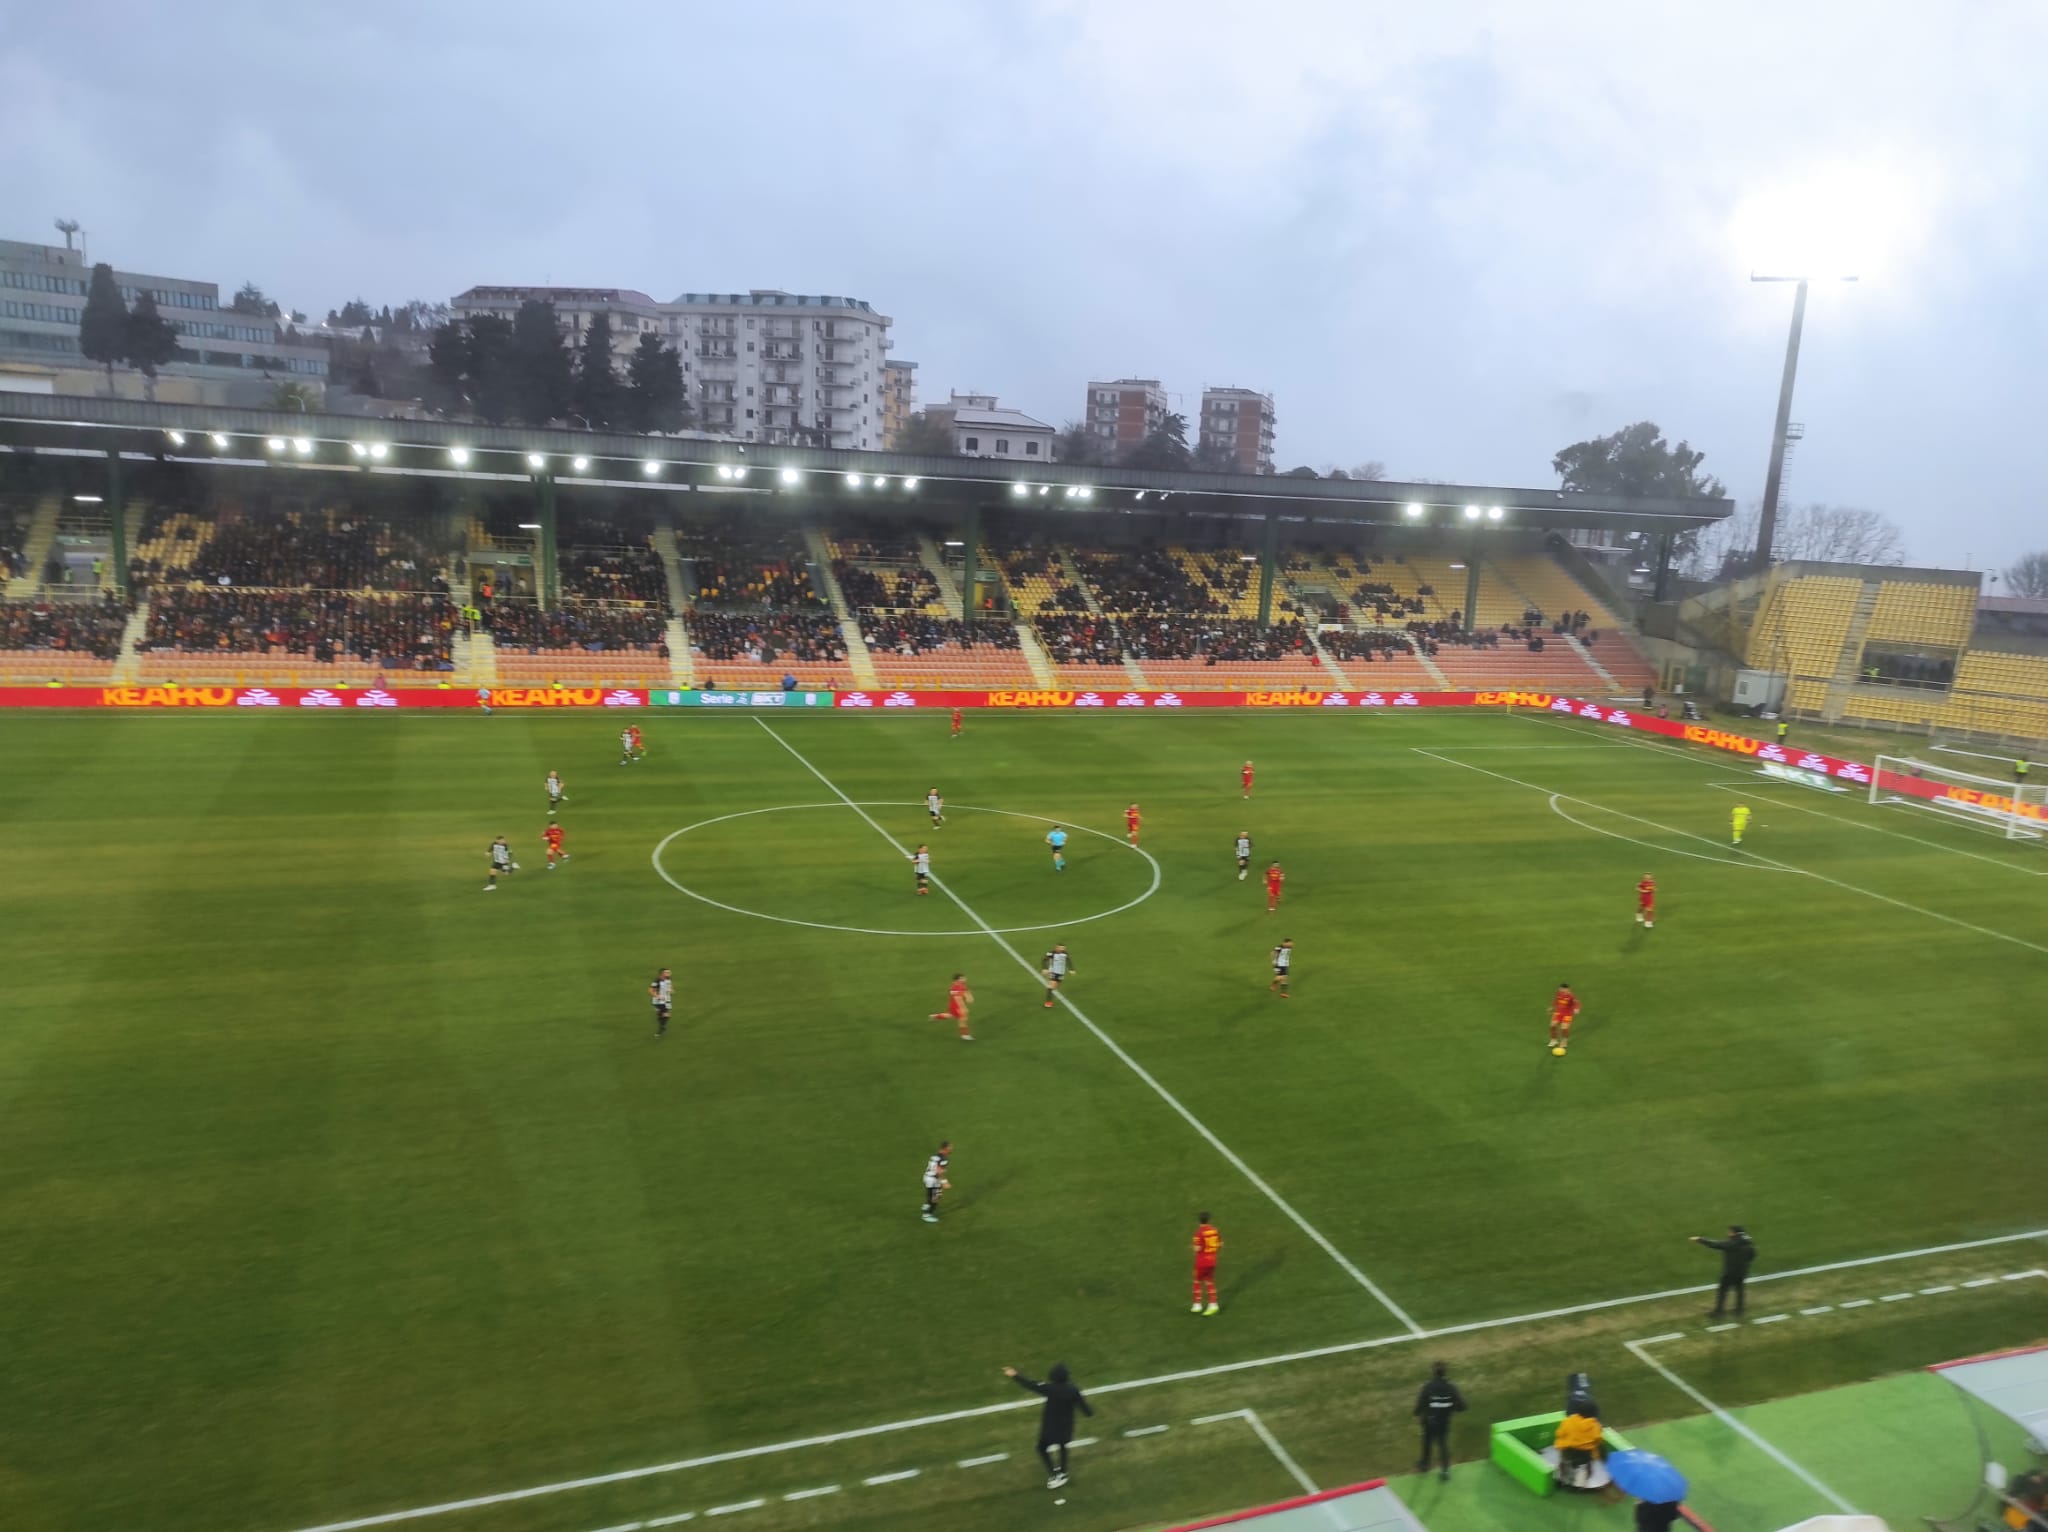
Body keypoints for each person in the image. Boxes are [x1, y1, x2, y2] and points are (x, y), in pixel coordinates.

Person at [1002, 1363, 1093, 1489]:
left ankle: (1055, 1474)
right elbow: (1087, 1411)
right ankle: (1063, 1472)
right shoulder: (1073, 1390)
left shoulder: (1050, 1388)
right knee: (1063, 1446)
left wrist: (1015, 1375)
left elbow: (1031, 1385)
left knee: (1041, 1448)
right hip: (1066, 1426)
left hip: (1050, 1426)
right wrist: (1088, 1412)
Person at [1413, 1361, 1467, 1481]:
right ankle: (1445, 1471)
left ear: (1434, 1372)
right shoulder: (1451, 1387)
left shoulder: (1428, 1386)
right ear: (1445, 1372)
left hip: (1429, 1421)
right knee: (1443, 1445)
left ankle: (1425, 1465)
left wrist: (1416, 1413)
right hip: (1444, 1421)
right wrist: (1451, 1408)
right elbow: (1462, 1406)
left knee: (1427, 1442)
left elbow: (1421, 1402)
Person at [1693, 1224, 1757, 1318]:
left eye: (1729, 1231)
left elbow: (1716, 1244)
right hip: (1742, 1272)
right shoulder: (1748, 1242)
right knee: (1740, 1291)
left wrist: (1700, 1239)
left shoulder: (1731, 1243)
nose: (1728, 1233)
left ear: (1733, 1232)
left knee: (1723, 1291)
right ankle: (1739, 1311)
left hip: (1730, 1272)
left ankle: (1719, 1312)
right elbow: (1753, 1256)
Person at [1553, 1407, 1604, 1489]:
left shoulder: (1568, 1421)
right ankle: (1579, 1486)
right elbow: (1598, 1439)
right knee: (1583, 1468)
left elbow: (1559, 1433)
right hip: (1585, 1452)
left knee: (1565, 1463)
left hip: (1569, 1449)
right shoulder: (1595, 1425)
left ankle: (1562, 1481)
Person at [1191, 1213, 1222, 1314]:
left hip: (1202, 1261)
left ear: (1199, 1220)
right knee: (1209, 1281)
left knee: (1197, 1281)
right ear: (1209, 1220)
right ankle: (1213, 1304)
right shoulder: (1215, 1230)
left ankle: (1197, 1305)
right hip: (1212, 1259)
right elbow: (1220, 1244)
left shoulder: (1198, 1233)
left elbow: (1197, 1248)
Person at [929, 973, 974, 1041]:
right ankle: (965, 1035)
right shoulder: (954, 988)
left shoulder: (962, 985)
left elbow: (966, 992)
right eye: (963, 978)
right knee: (963, 1018)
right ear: (959, 979)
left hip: (956, 1005)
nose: (965, 979)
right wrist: (963, 1008)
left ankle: (934, 1016)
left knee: (951, 1016)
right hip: (956, 1005)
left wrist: (969, 996)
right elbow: (957, 999)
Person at [921, 1140, 951, 1222]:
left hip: (927, 1177)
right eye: (950, 1147)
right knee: (936, 1198)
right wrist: (944, 1182)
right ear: (945, 1148)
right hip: (934, 1180)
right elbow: (939, 1171)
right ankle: (927, 1214)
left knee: (931, 1193)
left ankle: (927, 1205)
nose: (951, 1149)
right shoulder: (944, 1158)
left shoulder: (935, 1155)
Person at [1548, 982, 1579, 1055]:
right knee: (1552, 1025)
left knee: (1564, 1028)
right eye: (1561, 989)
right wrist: (1552, 1007)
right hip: (1559, 1012)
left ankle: (1564, 1040)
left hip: (1567, 1014)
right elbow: (1556, 1001)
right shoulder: (1559, 993)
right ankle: (1554, 1040)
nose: (1563, 990)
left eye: (1565, 989)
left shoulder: (1571, 996)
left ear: (1568, 989)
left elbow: (1576, 1003)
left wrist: (1576, 1009)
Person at [1041, 943, 1071, 1007]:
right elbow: (1044, 960)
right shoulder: (1051, 953)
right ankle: (1048, 1002)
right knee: (1051, 986)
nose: (1062, 949)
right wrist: (1045, 968)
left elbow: (1068, 960)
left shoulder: (1065, 953)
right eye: (1060, 948)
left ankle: (1050, 990)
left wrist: (1071, 969)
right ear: (1056, 948)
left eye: (1063, 948)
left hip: (1061, 973)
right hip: (1053, 972)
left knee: (1054, 987)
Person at [650, 967, 673, 1038]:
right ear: (662, 974)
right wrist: (658, 996)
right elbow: (651, 990)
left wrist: (671, 990)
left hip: (667, 999)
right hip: (659, 1001)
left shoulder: (668, 979)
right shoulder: (656, 981)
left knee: (665, 1014)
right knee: (666, 1014)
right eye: (667, 972)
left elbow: (669, 986)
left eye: (669, 972)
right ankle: (661, 1028)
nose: (669, 973)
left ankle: (662, 1026)